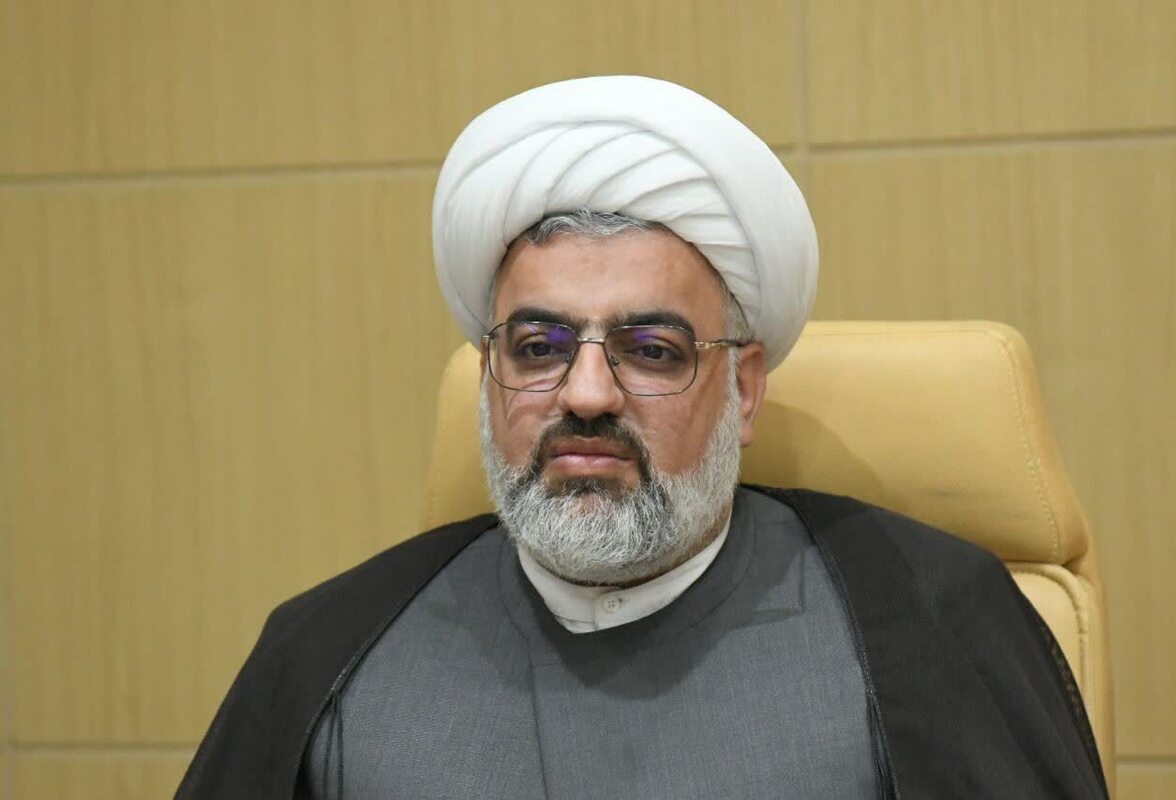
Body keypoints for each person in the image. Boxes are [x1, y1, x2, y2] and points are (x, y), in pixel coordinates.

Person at [177, 77, 1107, 799]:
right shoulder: (328, 654)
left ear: (744, 388)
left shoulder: (931, 621)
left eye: (652, 350)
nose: (586, 394)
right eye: (538, 347)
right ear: (491, 375)